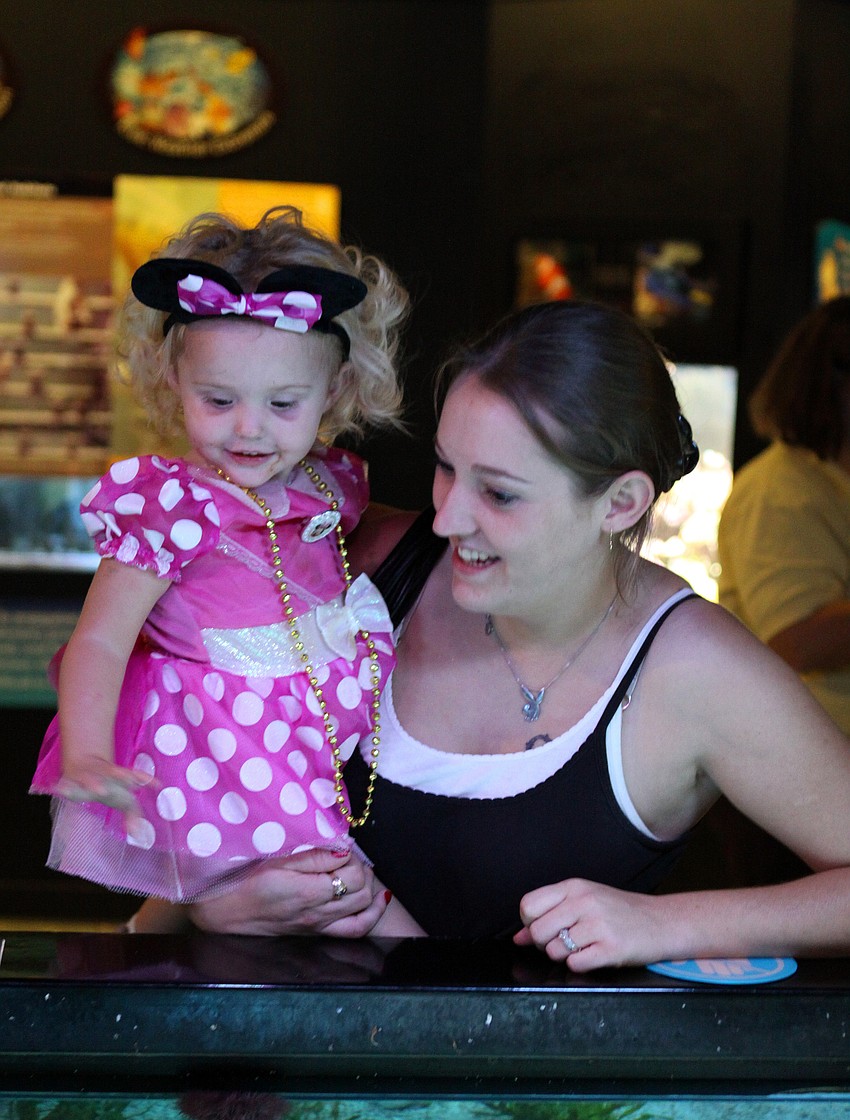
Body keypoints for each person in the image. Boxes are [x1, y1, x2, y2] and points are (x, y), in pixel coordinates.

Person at [159, 301, 850, 970]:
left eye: (500, 494)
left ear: (621, 503)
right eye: (446, 467)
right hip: (272, 1065)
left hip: (510, 1090)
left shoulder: (691, 664)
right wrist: (204, 900)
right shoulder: (364, 563)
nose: (448, 518)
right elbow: (184, 773)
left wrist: (666, 923)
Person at [30, 205, 422, 935]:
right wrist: (84, 750)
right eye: (218, 400)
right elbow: (101, 639)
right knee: (347, 909)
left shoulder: (327, 483)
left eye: (282, 403)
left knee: (329, 915)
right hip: (228, 757)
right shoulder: (170, 504)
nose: (248, 428)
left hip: (314, 741)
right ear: (172, 377)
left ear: (332, 394)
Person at [718, 296, 850, 734]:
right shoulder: (778, 490)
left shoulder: (830, 481)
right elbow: (798, 641)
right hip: (812, 764)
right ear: (833, 386)